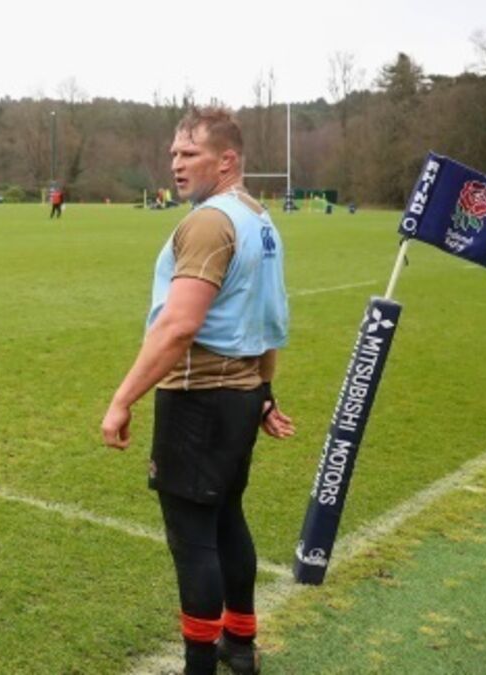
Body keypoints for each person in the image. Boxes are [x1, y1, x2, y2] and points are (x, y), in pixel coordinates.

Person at [99, 106, 294, 675]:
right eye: (173, 154)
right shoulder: (259, 217)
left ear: (226, 160)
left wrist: (122, 398)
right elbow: (271, 318)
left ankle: (200, 665)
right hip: (240, 395)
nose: (176, 164)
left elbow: (179, 326)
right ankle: (240, 644)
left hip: (199, 398)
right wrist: (263, 390)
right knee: (227, 518)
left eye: (190, 154)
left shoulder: (210, 222)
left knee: (193, 538)